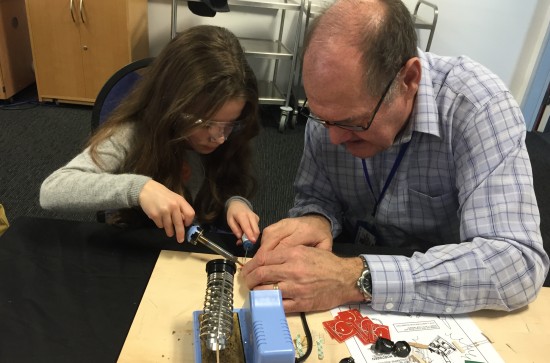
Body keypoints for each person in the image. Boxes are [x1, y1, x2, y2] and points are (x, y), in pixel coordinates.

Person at [242, 0, 549, 314]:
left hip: (442, 292)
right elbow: (317, 195)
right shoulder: (334, 111)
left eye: (353, 122)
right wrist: (316, 219)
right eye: (321, 118)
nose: (333, 138)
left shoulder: (477, 106)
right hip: (342, 275)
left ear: (409, 79)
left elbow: (518, 264)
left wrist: (358, 278)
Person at [40, 25, 261, 244]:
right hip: (145, 245)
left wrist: (236, 202)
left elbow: (230, 181)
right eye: (205, 123)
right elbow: (53, 190)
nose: (219, 137)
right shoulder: (133, 132)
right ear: (173, 105)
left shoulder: (232, 131)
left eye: (229, 124)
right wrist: (139, 189)